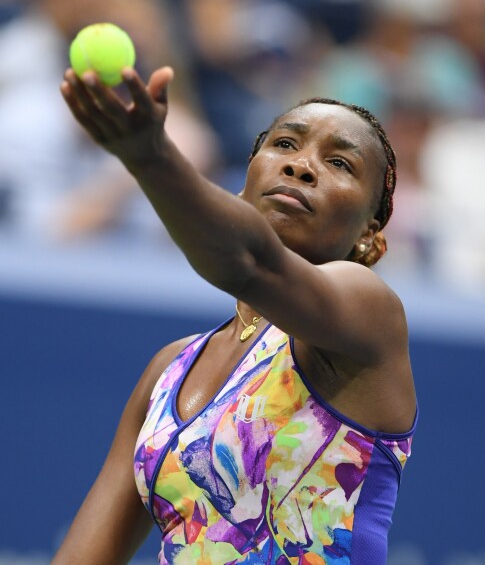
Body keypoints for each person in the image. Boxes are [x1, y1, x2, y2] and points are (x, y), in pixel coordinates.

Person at [53, 62, 417, 563]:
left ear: (370, 233)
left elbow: (248, 263)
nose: (301, 165)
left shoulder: (367, 310)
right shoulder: (168, 370)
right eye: (285, 144)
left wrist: (152, 156)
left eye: (340, 163)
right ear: (245, 179)